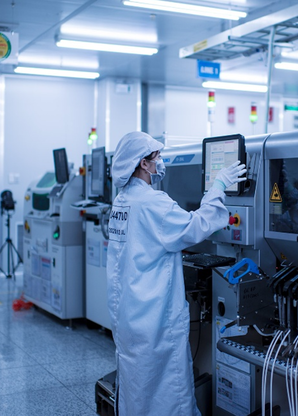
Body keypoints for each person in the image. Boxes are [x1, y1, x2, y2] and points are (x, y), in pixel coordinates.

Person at [106, 131, 246, 416]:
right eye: (157, 156)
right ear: (143, 163)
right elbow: (197, 225)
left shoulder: (121, 202)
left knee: (137, 386)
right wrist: (218, 186)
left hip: (128, 314)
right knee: (167, 389)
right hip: (154, 317)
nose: (161, 162)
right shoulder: (151, 202)